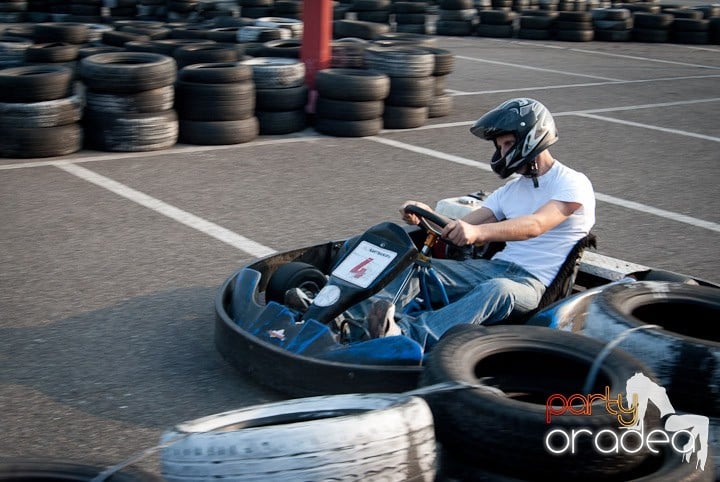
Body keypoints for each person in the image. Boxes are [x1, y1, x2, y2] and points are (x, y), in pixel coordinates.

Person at [366, 97, 596, 349]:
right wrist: (425, 214)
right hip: (494, 269)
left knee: (496, 290)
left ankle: (406, 337)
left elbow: (535, 225)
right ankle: (365, 320)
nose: (503, 153)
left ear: (533, 136)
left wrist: (477, 233)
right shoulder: (510, 191)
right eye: (501, 146)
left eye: (508, 144)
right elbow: (459, 226)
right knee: (415, 269)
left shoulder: (572, 182)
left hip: (532, 284)